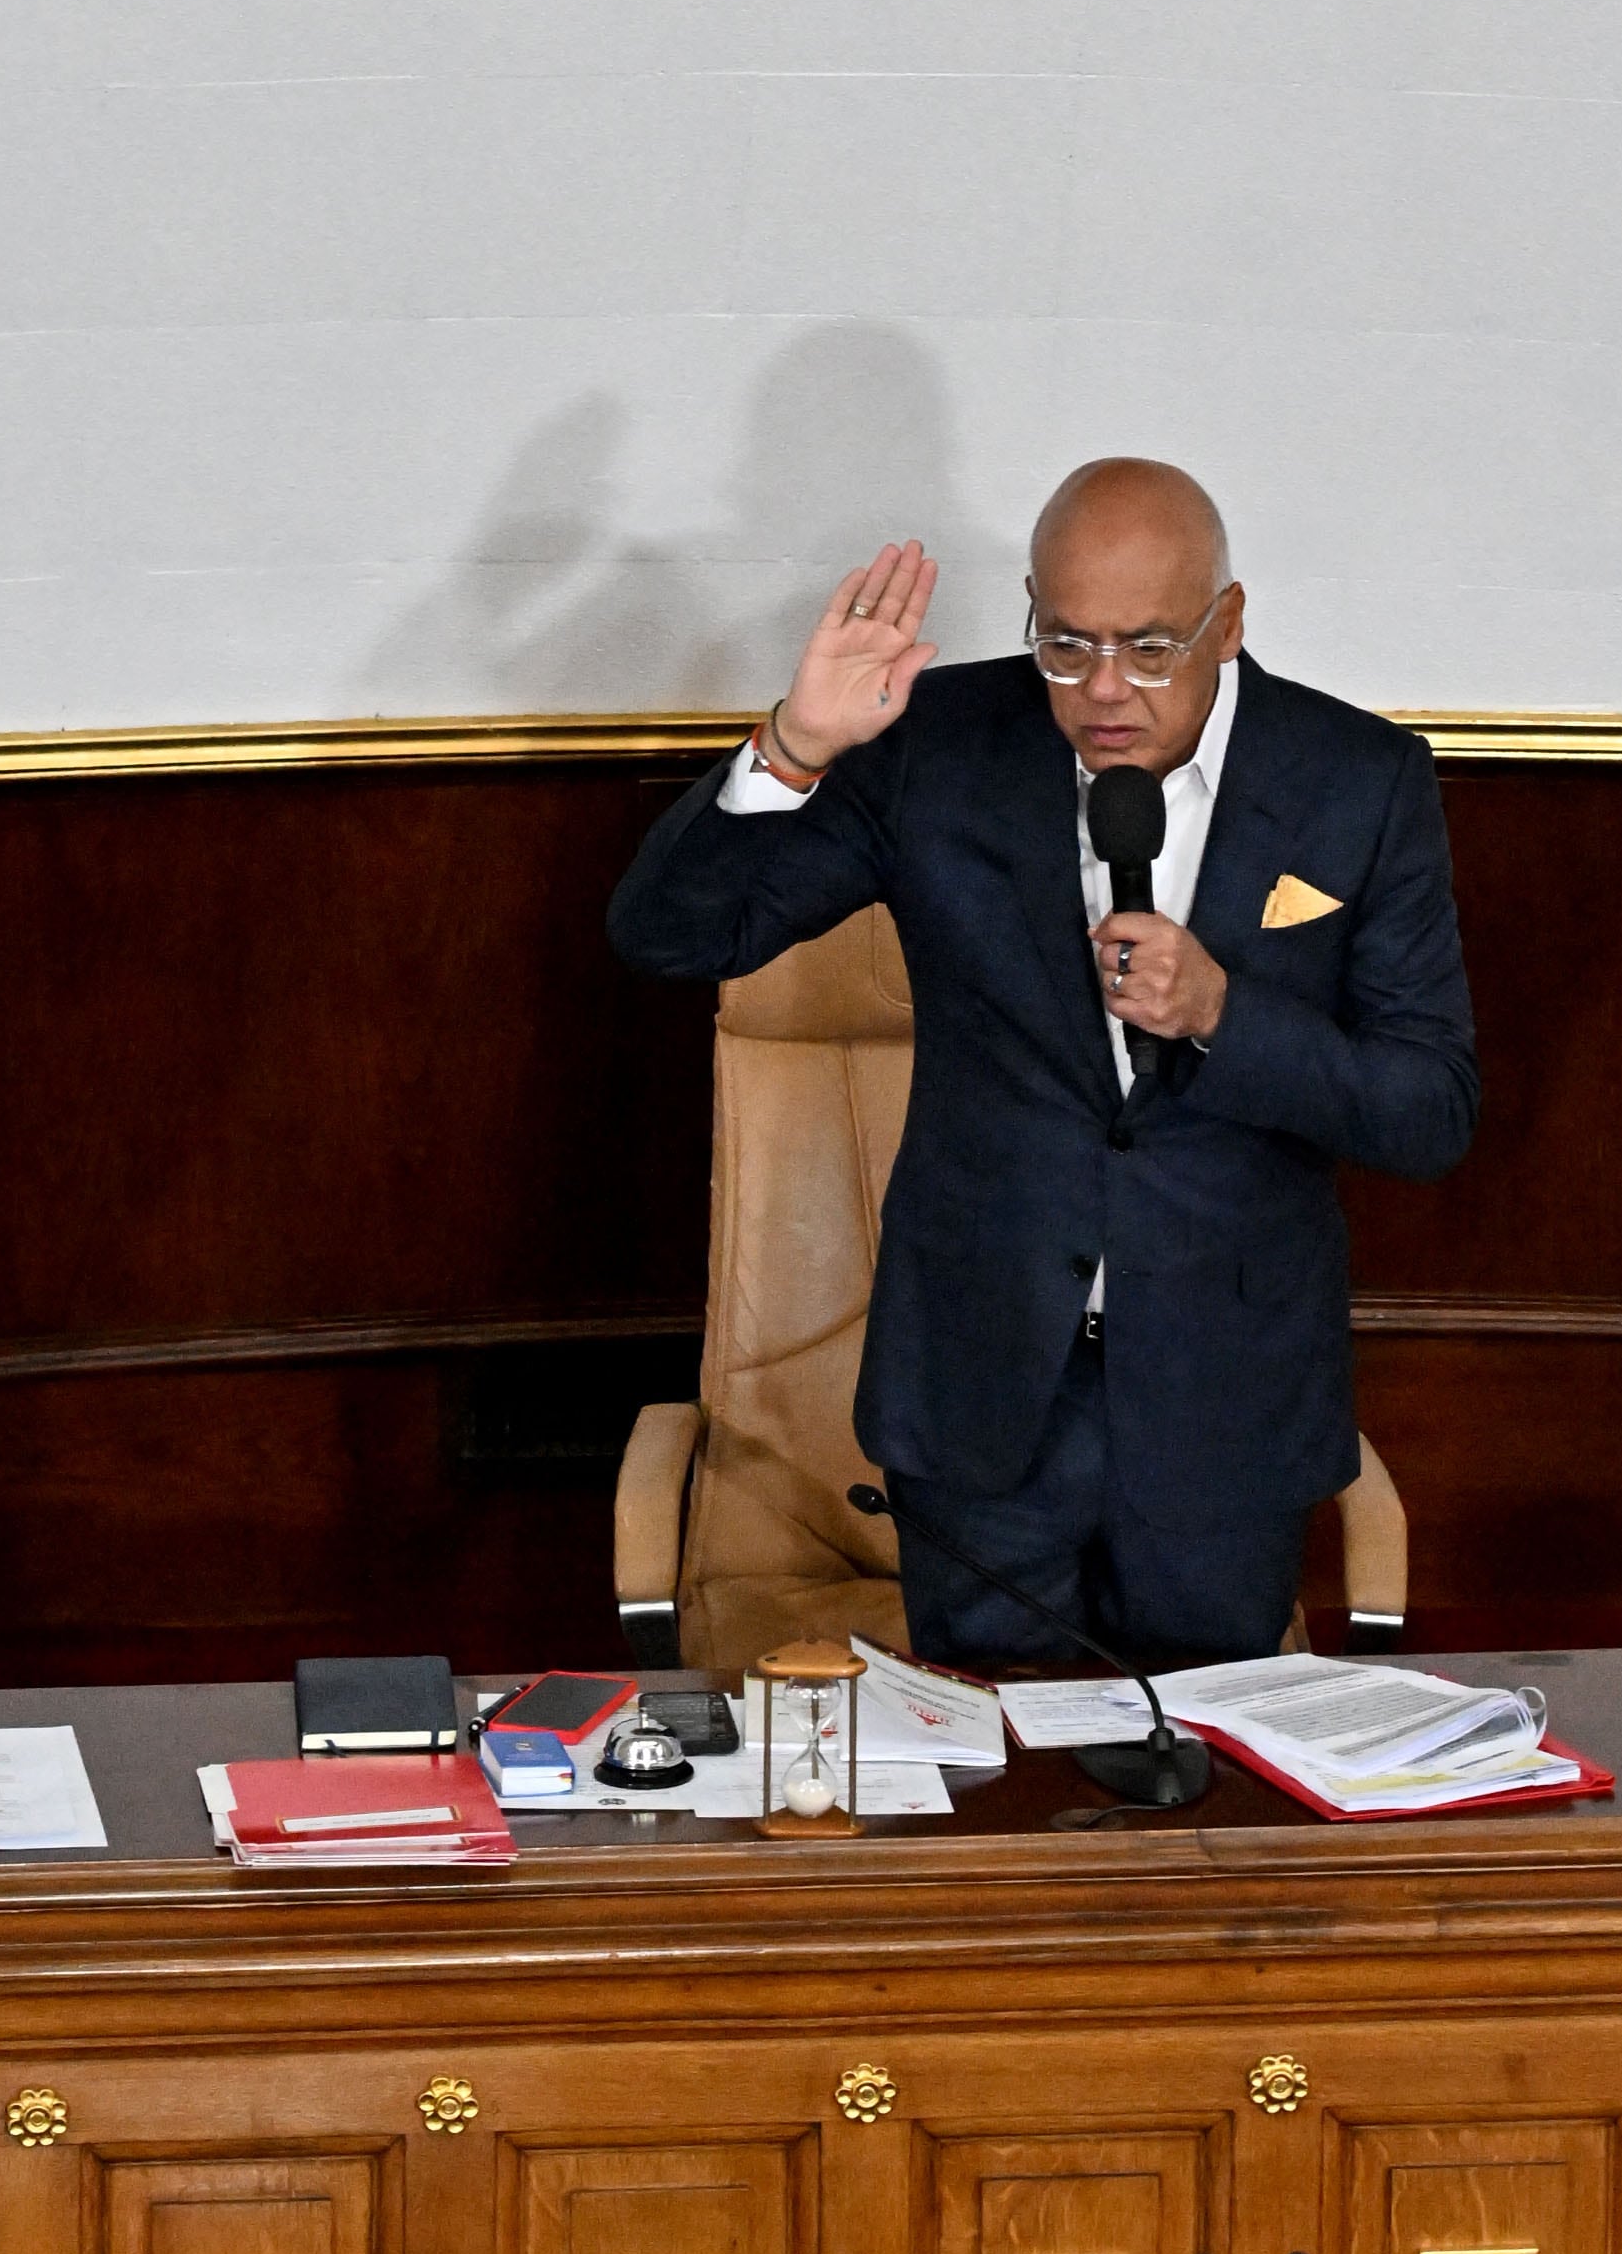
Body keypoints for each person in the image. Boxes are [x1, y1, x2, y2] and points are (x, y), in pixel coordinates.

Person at [610, 460, 1476, 1669]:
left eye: (1149, 647)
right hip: (980, 1391)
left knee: (1201, 1816)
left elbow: (1427, 1109)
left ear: (1227, 621)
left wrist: (1226, 1013)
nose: (1102, 690)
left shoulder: (1356, 781)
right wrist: (794, 744)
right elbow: (671, 935)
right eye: (1064, 645)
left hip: (1222, 1407)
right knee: (993, 1795)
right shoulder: (937, 747)